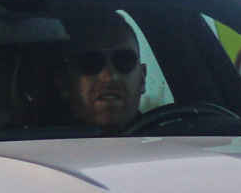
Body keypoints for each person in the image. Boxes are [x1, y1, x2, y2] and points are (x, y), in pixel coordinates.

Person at [9, 10, 147, 133]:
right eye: (91, 63)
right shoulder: (34, 150)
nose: (109, 76)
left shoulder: (167, 142)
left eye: (124, 61)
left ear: (142, 78)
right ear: (63, 83)